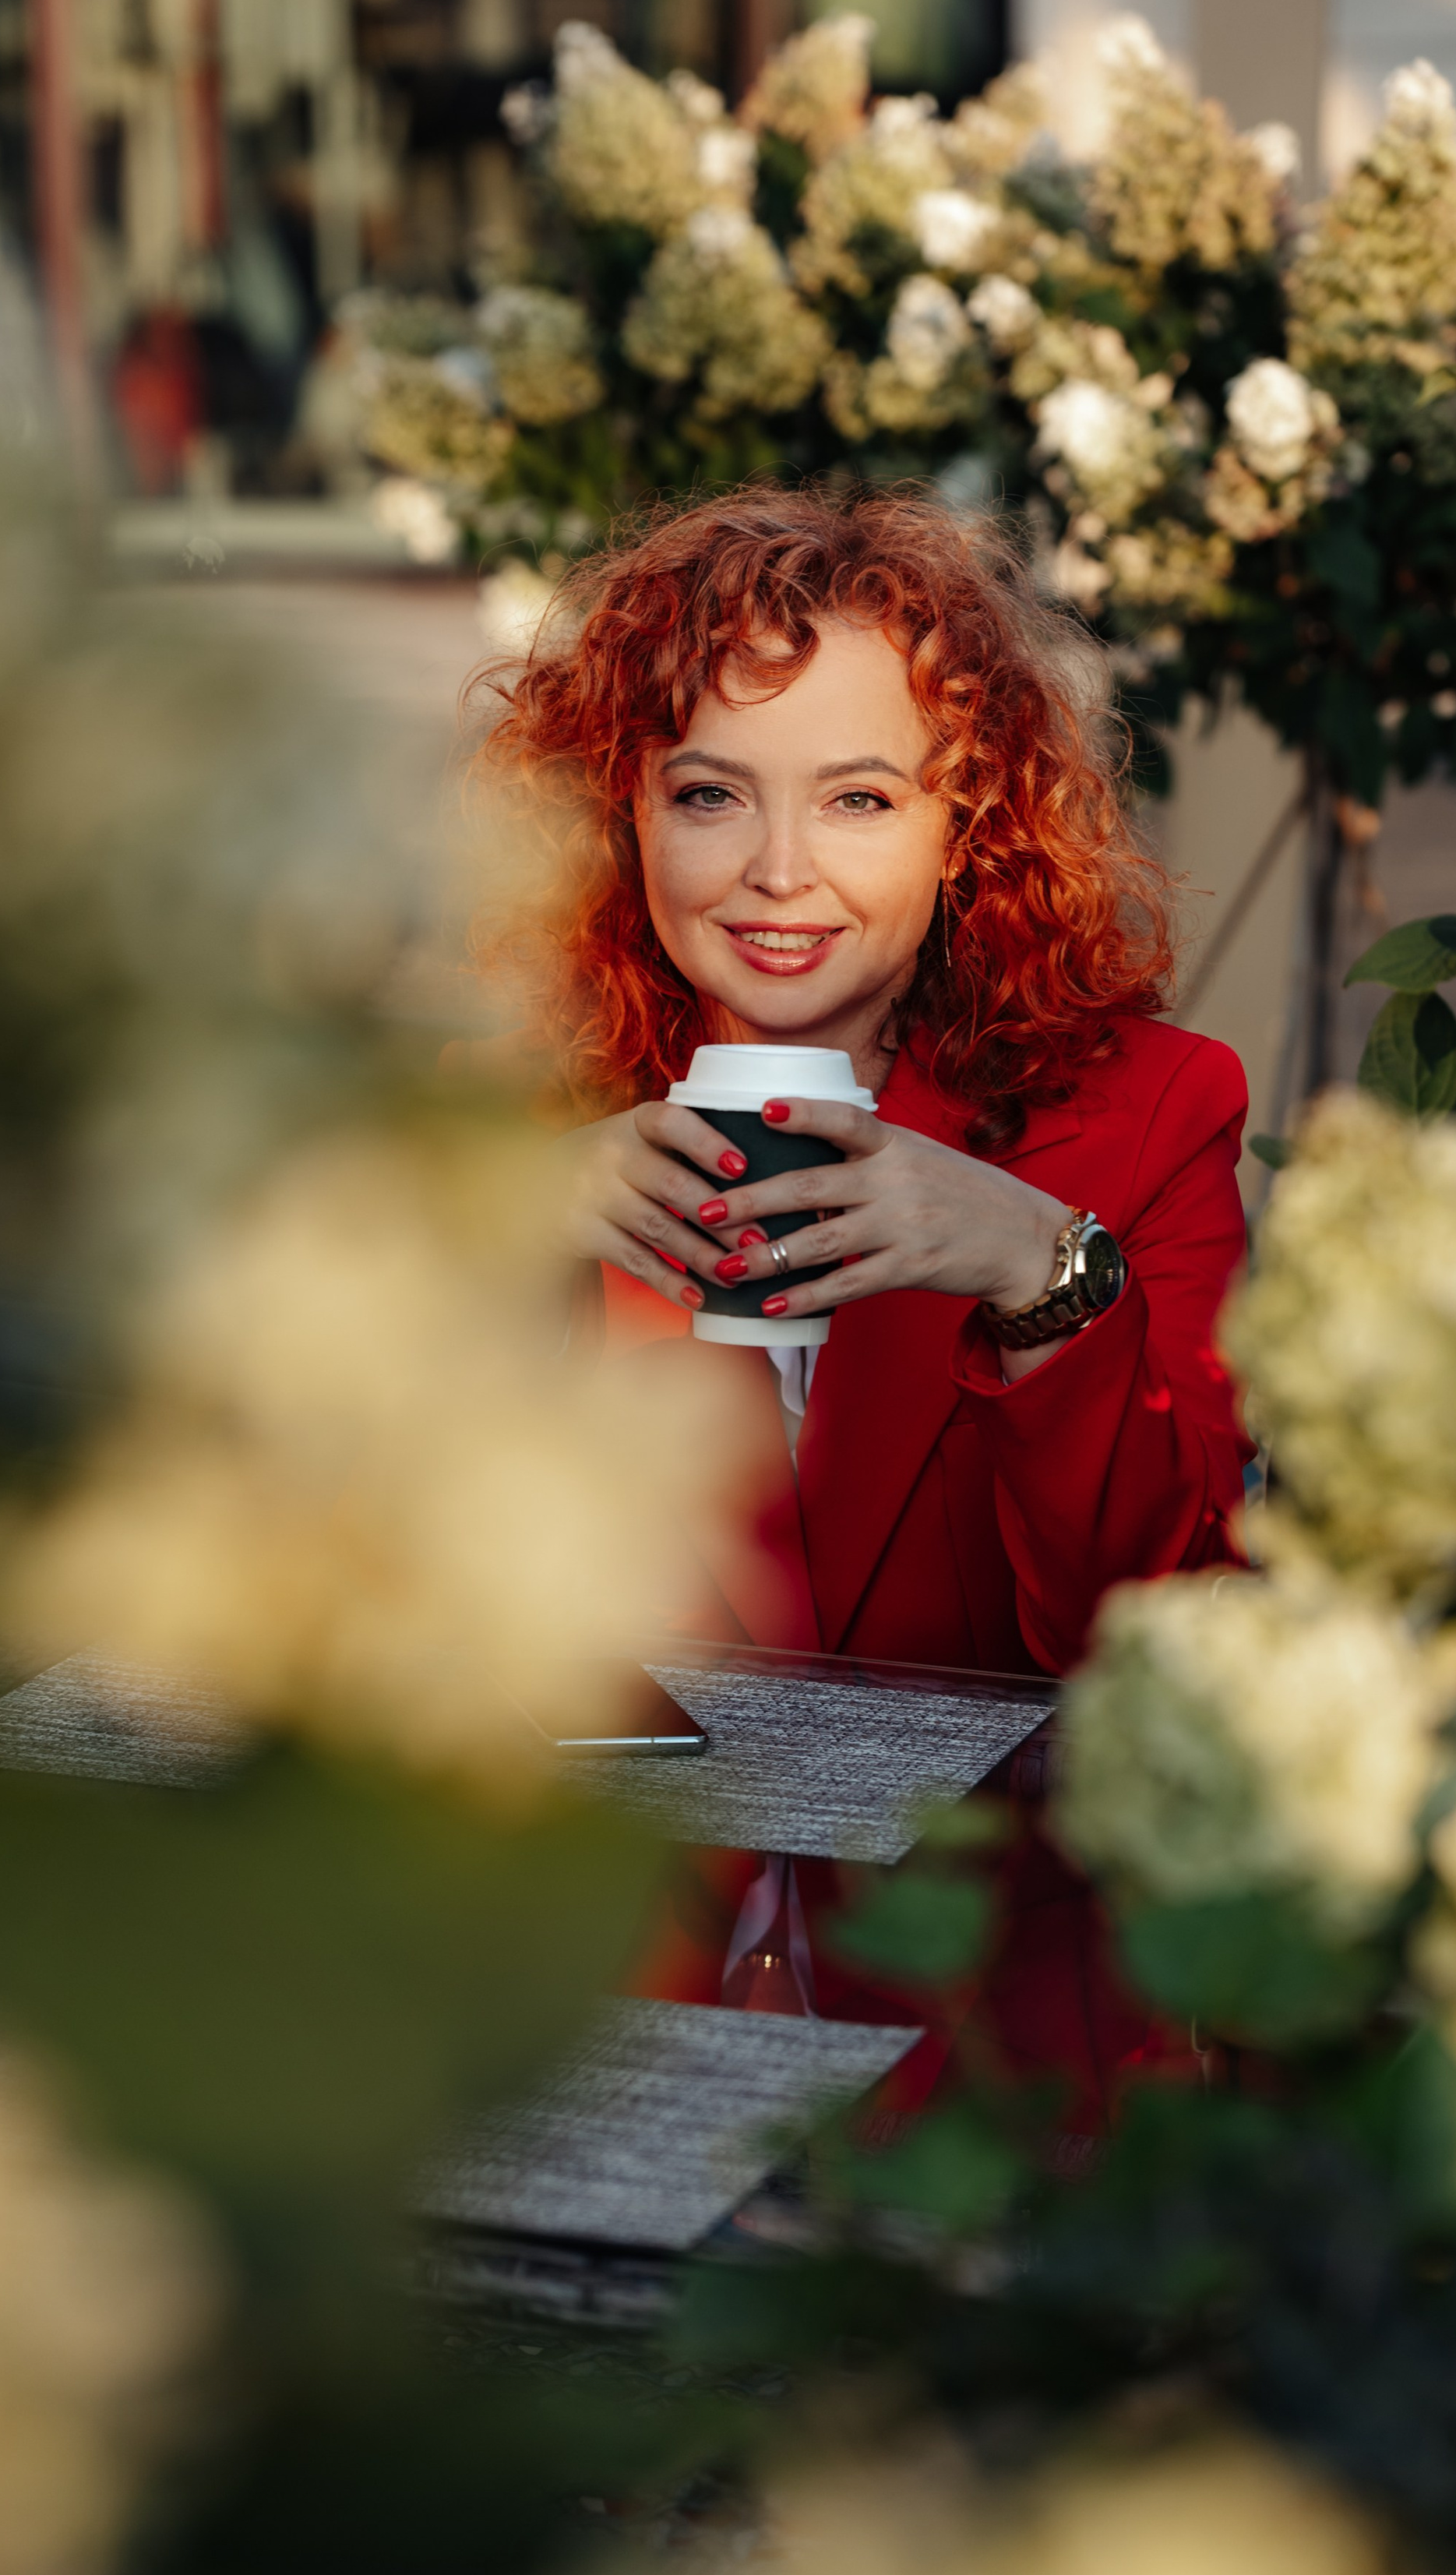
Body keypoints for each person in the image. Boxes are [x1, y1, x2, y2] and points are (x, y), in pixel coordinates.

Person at [476, 485, 1250, 2120]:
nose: (773, 872)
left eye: (855, 797)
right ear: (622, 813)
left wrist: (1041, 1275)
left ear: (964, 817)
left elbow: (1155, 1660)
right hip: (597, 2023)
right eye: (706, 793)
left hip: (982, 2050)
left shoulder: (1144, 1120)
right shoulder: (495, 1127)